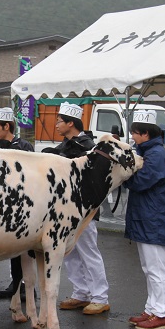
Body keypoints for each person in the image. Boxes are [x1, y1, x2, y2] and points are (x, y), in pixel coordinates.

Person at [44, 102, 110, 315]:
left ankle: (100, 297)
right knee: (69, 253)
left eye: (60, 121)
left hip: (85, 210)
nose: (56, 125)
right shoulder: (65, 145)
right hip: (64, 210)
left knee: (89, 251)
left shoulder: (89, 147)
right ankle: (81, 293)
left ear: (70, 123)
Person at [124, 119, 165, 329]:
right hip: (148, 216)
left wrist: (123, 176)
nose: (133, 137)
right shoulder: (149, 152)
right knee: (149, 267)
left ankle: (162, 313)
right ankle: (152, 309)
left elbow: (140, 181)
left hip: (154, 217)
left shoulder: (155, 154)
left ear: (145, 134)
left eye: (135, 133)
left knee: (156, 268)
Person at [0, 107, 35, 297]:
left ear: (7, 126)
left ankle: (27, 285)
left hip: (22, 202)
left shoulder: (24, 146)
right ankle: (15, 284)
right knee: (11, 247)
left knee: (25, 248)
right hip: (1, 201)